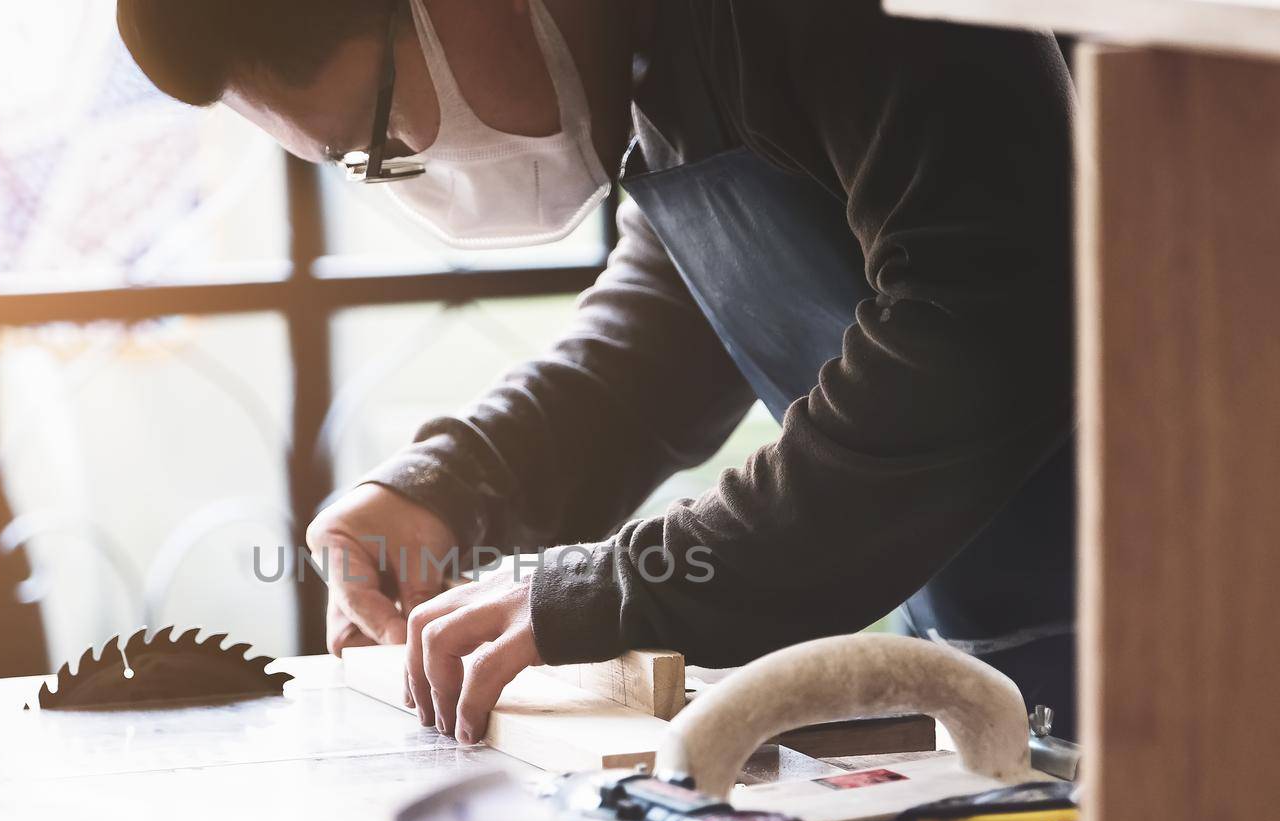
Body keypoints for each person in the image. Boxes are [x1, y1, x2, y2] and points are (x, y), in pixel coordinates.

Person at [118, 0, 1077, 744]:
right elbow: (679, 317)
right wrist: (452, 484)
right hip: (1025, 665)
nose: (414, 165)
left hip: (1189, 606)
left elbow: (982, 324)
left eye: (379, 140)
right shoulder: (654, 52)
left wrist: (606, 592)